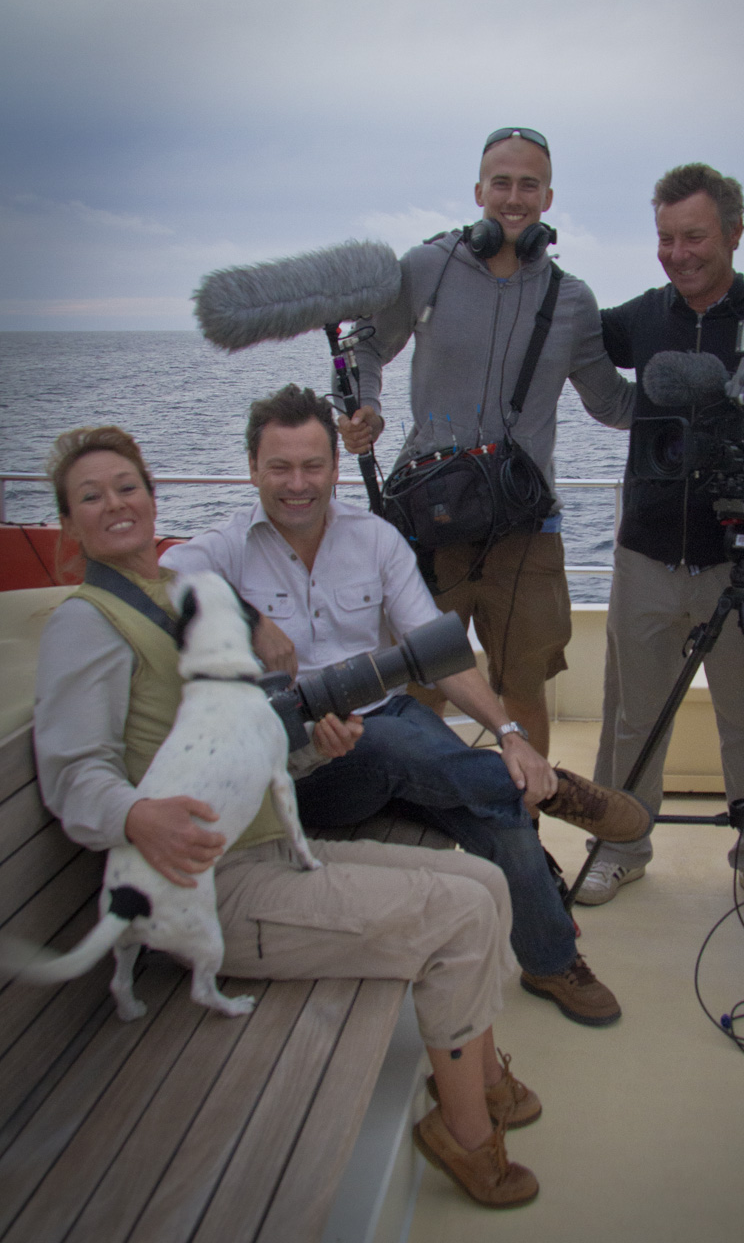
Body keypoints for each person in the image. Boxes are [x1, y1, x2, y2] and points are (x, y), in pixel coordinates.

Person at [34, 424, 541, 1209]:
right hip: (207, 890)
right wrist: (136, 817)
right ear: (69, 524)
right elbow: (72, 774)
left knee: (484, 883)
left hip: (268, 852)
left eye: (127, 487)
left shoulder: (182, 599)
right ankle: (464, 1134)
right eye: (91, 497)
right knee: (458, 915)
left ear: (152, 497)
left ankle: (480, 1077)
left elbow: (238, 746)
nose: (115, 505)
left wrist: (312, 749)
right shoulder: (86, 622)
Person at [161, 385, 650, 1028]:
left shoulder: (374, 540)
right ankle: (552, 790)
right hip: (303, 764)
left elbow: (438, 652)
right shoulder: (226, 548)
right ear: (253, 467)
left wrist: (509, 733)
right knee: (398, 746)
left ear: (335, 466)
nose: (298, 484)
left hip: (393, 728)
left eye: (312, 466)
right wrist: (247, 617)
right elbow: (161, 578)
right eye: (280, 467)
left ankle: (550, 961)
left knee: (491, 802)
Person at [580, 164, 744, 914]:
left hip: (742, 555)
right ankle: (619, 846)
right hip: (646, 551)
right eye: (665, 238)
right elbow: (570, 337)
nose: (677, 254)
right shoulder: (640, 317)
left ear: (734, 234)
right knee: (633, 716)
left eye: (693, 237)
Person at [340, 126, 634, 759]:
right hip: (428, 524)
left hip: (525, 530)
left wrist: (689, 392)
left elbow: (612, 404)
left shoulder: (572, 299)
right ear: (478, 191)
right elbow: (365, 346)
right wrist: (366, 407)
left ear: (548, 199)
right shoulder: (425, 268)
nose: (514, 197)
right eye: (502, 183)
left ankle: (523, 813)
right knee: (422, 690)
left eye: (529, 185)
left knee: (522, 690)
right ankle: (425, 814)